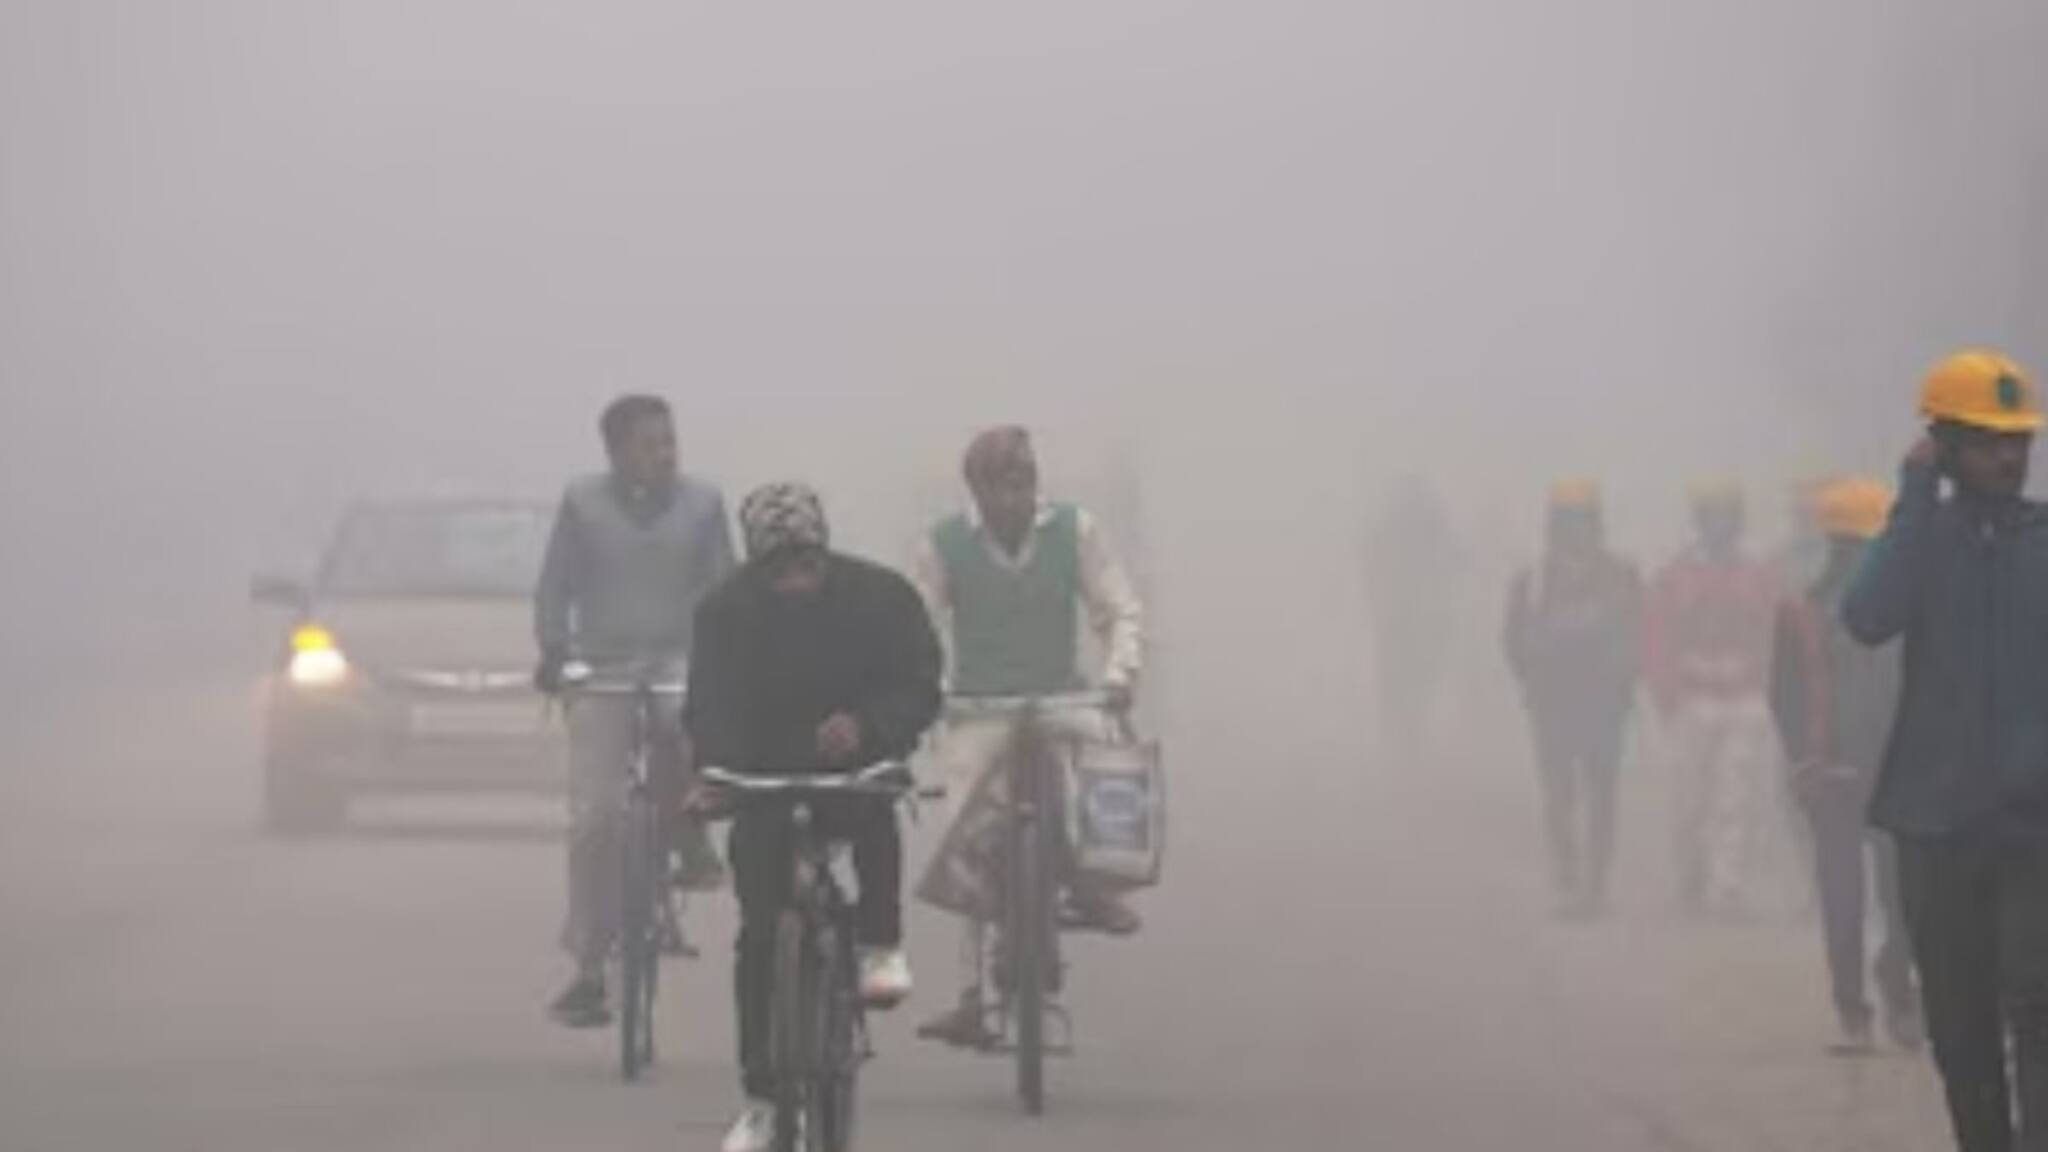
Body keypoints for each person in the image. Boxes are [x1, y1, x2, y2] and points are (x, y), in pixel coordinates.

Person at [686, 483, 943, 1152]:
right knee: (761, 936)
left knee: (874, 812)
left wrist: (868, 727)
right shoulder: (724, 612)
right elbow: (708, 704)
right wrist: (716, 774)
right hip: (763, 775)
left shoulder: (881, 598)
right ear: (757, 566)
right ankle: (765, 1101)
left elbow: (919, 682)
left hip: (857, 764)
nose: (796, 580)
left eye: (807, 563)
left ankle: (880, 944)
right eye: (780, 569)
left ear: (825, 552)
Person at [1844, 349, 2048, 1151]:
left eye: (2019, 439)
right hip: (1935, 824)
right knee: (1960, 1029)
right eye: (1990, 439)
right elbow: (1867, 616)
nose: (2010, 453)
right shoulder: (1922, 540)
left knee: (2038, 1007)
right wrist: (1913, 495)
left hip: (2036, 828)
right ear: (1947, 444)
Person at [912, 426, 1145, 1047]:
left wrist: (1120, 674)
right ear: (977, 491)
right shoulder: (945, 545)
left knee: (1099, 785)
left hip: (1063, 699)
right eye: (1000, 487)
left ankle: (1093, 888)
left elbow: (1118, 606)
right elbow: (919, 624)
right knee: (964, 834)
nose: (1014, 500)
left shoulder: (1075, 531)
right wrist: (927, 686)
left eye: (1023, 484)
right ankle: (969, 994)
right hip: (979, 709)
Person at [533, 394, 735, 1028]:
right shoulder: (582, 505)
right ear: (617, 452)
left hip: (678, 664)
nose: (666, 454)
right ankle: (591, 966)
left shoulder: (703, 505)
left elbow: (724, 587)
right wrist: (556, 651)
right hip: (603, 672)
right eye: (651, 443)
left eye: (671, 441)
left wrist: (728, 655)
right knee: (595, 818)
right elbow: (554, 588)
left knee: (683, 732)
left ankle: (689, 837)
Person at [1769, 476, 1919, 1054]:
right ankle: (1869, 1005)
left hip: (1885, 772)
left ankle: (1878, 999)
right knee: (1857, 897)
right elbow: (1783, 696)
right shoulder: (1800, 613)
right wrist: (1805, 763)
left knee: (1890, 898)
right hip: (1842, 775)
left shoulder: (1909, 611)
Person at [1643, 481, 1787, 915]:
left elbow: (1775, 635)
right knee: (1688, 802)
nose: (1721, 524)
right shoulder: (1674, 575)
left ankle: (1727, 890)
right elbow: (1656, 638)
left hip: (1744, 701)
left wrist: (1768, 689)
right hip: (1691, 700)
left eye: (1728, 514)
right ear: (1700, 520)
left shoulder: (1760, 574)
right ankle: (1691, 880)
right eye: (1713, 515)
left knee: (1733, 799)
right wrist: (1667, 695)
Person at [1503, 479, 1643, 918]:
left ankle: (1594, 883)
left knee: (1601, 794)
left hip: (1603, 702)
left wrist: (1624, 678)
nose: (1576, 530)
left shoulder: (1622, 575)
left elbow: (1639, 632)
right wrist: (1533, 678)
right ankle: (1567, 875)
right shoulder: (1533, 579)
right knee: (1559, 793)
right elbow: (1512, 638)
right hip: (1554, 701)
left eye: (1582, 521)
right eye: (1568, 522)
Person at [1364, 475, 1463, 758]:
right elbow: (1455, 562)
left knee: (1404, 684)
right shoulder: (1432, 525)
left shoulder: (1388, 528)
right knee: (1416, 682)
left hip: (1404, 620)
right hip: (1418, 620)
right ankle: (1408, 738)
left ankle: (1403, 740)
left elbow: (1370, 559)